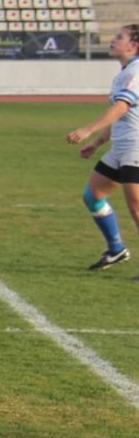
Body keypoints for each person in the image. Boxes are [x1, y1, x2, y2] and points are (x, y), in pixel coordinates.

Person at [66, 24, 139, 272]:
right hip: (122, 147)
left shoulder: (136, 71)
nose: (113, 40)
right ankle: (117, 249)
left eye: (119, 37)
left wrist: (89, 130)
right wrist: (97, 144)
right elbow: (120, 116)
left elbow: (121, 108)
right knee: (93, 195)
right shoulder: (125, 72)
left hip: (136, 147)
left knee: (136, 206)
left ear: (133, 45)